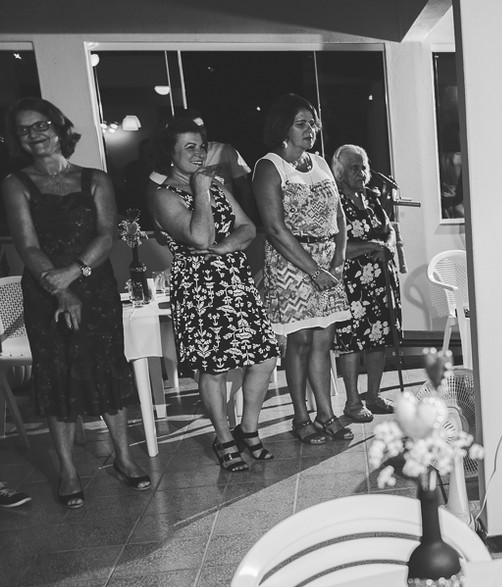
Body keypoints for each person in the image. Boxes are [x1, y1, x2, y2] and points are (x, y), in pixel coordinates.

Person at [1, 97, 152, 508]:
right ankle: (68, 469)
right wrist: (61, 289)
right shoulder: (15, 183)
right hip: (45, 290)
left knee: (106, 367)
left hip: (95, 288)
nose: (34, 134)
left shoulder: (95, 179)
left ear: (58, 127)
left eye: (40, 125)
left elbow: (107, 233)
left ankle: (124, 457)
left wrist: (75, 273)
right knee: (57, 374)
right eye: (23, 130)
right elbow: (27, 245)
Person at [149, 115, 279, 471]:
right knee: (214, 367)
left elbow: (248, 227)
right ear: (170, 154)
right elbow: (199, 236)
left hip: (235, 279)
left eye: (201, 146)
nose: (199, 153)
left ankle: (247, 430)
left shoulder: (218, 186)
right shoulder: (163, 196)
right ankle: (223, 438)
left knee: (264, 357)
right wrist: (201, 192)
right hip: (198, 288)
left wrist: (224, 248)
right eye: (189, 147)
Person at [252, 93, 353, 445]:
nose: (310, 130)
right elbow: (275, 228)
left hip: (327, 260)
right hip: (291, 262)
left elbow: (339, 216)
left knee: (324, 340)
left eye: (312, 123)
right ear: (283, 128)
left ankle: (326, 413)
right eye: (301, 124)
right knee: (300, 341)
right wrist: (313, 270)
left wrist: (338, 260)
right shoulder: (269, 166)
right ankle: (300, 416)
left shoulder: (320, 162)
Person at [330, 144, 404, 421]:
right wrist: (373, 245)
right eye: (354, 168)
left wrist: (388, 245)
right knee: (351, 342)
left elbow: (389, 230)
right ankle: (352, 403)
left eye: (363, 167)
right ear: (339, 172)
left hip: (381, 280)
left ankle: (373, 396)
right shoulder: (335, 201)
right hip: (352, 283)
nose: (361, 173)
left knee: (378, 337)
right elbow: (337, 246)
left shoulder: (371, 197)